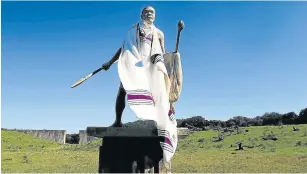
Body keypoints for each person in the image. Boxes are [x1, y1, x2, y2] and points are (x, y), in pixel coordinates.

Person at [101, 6, 166, 127]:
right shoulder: (132, 31)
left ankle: (155, 120)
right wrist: (110, 62)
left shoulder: (159, 33)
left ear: (155, 16)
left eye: (152, 12)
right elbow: (124, 49)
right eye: (146, 12)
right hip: (134, 65)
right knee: (122, 90)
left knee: (156, 93)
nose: (149, 14)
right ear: (141, 16)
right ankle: (117, 121)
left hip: (150, 66)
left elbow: (162, 52)